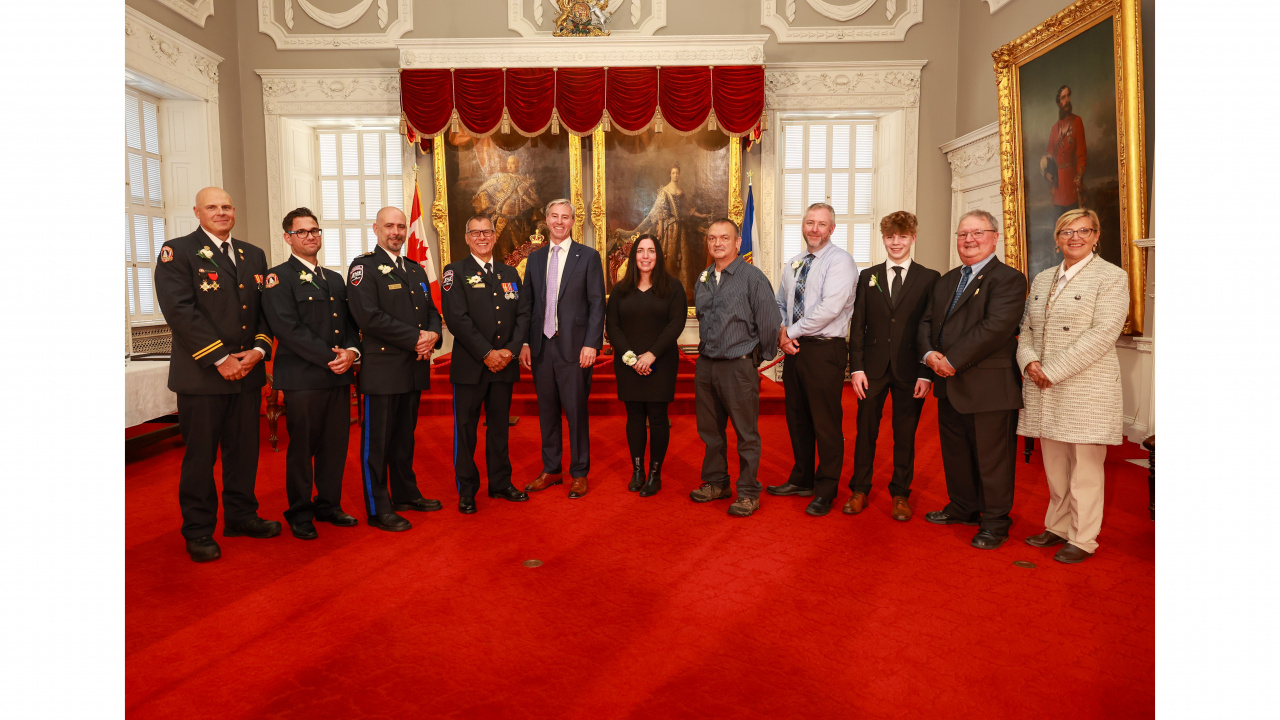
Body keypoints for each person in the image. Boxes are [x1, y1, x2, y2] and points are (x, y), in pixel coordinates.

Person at [155, 187, 280, 562]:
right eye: (212, 207)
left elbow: (263, 311)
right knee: (201, 458)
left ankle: (241, 516)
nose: (221, 212)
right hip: (203, 377)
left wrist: (258, 351)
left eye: (226, 206)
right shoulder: (177, 252)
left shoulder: (252, 254)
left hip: (247, 373)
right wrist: (221, 358)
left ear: (234, 210)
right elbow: (180, 312)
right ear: (197, 211)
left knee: (243, 454)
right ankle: (198, 530)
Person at [1017, 208, 1129, 564]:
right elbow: (1027, 330)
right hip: (1044, 386)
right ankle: (1058, 526)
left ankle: (1083, 538)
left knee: (1085, 468)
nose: (1074, 237)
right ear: (1057, 239)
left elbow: (1103, 334)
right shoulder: (1043, 278)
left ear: (1097, 236)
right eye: (1066, 232)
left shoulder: (1112, 277)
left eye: (1083, 231)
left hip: (1086, 388)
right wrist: (1029, 361)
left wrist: (1052, 369)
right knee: (1056, 466)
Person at [919, 210, 1027, 550]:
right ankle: (963, 507)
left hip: (989, 388)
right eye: (963, 234)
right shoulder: (948, 279)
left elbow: (995, 329)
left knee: (993, 459)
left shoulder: (1009, 279)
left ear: (995, 237)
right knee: (957, 453)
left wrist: (952, 360)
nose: (969, 240)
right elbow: (926, 323)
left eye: (977, 233)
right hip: (948, 384)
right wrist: (929, 356)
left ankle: (995, 522)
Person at [261, 207, 361, 540]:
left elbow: (349, 326)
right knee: (303, 449)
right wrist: (331, 357)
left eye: (315, 230)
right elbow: (286, 329)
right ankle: (300, 511)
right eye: (302, 232)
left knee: (335, 446)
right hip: (304, 378)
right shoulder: (278, 277)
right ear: (288, 237)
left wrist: (351, 353)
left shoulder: (334, 279)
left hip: (337, 375)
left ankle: (328, 505)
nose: (310, 236)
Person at [346, 206, 443, 532]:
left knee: (404, 438)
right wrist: (417, 337)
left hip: (413, 368)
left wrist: (433, 334)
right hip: (383, 370)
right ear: (376, 229)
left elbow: (432, 310)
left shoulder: (415, 270)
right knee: (377, 443)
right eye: (390, 226)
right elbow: (367, 316)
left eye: (401, 226)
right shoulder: (364, 268)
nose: (397, 232)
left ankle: (405, 493)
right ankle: (378, 507)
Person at [844, 211, 941, 521]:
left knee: (905, 434)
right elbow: (857, 324)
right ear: (883, 239)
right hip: (870, 370)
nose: (896, 242)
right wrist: (856, 367)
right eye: (890, 237)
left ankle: (900, 494)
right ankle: (859, 488)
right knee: (865, 432)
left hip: (911, 369)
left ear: (913, 238)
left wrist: (926, 372)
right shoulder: (866, 276)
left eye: (902, 236)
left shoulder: (929, 278)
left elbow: (931, 328)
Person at [765, 203, 857, 516]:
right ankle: (802, 478)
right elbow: (779, 302)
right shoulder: (793, 263)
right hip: (793, 349)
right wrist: (781, 332)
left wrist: (789, 331)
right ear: (802, 226)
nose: (814, 229)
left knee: (825, 423)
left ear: (831, 229)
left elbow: (830, 308)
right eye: (809, 223)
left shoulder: (840, 262)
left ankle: (826, 489)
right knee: (798, 419)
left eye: (821, 224)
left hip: (824, 350)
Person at [440, 215, 533, 514]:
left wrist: (510, 350)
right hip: (470, 367)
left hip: (504, 364)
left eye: (487, 232)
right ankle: (467, 491)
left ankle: (500, 483)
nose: (482, 237)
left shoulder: (510, 273)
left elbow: (523, 314)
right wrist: (486, 353)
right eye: (476, 233)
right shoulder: (454, 272)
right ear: (466, 238)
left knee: (499, 429)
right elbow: (456, 318)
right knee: (466, 431)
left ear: (494, 236)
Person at [689, 218, 782, 518]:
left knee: (746, 434)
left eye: (724, 238)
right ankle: (717, 482)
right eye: (712, 238)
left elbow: (769, 322)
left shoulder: (753, 278)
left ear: (738, 242)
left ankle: (748, 492)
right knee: (710, 432)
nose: (718, 243)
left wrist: (758, 359)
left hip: (738, 367)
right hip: (706, 366)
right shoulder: (703, 277)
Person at [518, 199, 606, 499]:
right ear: (546, 219)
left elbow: (597, 303)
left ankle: (579, 473)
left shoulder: (589, 257)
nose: (559, 222)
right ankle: (552, 469)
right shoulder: (535, 259)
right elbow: (527, 305)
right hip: (542, 348)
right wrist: (527, 342)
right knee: (547, 413)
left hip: (574, 349)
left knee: (576, 413)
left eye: (565, 217)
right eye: (554, 216)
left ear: (572, 221)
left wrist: (592, 344)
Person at [605, 233, 687, 497]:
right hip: (628, 364)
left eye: (651, 251)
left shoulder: (673, 287)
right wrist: (631, 358)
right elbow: (612, 326)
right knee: (635, 417)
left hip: (660, 363)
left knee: (659, 418)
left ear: (658, 255)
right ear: (634, 255)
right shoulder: (621, 289)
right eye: (641, 251)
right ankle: (637, 470)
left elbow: (675, 324)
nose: (645, 256)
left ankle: (655, 472)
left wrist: (650, 355)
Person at [620, 162, 711, 294]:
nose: (675, 175)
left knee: (684, 256)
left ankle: (682, 288)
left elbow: (687, 209)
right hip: (670, 229)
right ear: (670, 174)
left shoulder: (681, 191)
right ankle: (665, 287)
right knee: (670, 256)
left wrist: (701, 215)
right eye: (673, 173)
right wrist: (661, 227)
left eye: (677, 173)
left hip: (681, 229)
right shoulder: (665, 191)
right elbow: (660, 211)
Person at [471, 154, 540, 261]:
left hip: (520, 223)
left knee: (520, 252)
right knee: (504, 252)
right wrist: (488, 206)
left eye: (512, 163)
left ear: (518, 164)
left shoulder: (526, 182)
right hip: (503, 220)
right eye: (508, 163)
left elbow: (534, 203)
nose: (510, 166)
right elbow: (483, 189)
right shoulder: (502, 178)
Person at [1043, 85, 1088, 217]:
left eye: (1068, 96)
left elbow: (1082, 154)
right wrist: (1047, 173)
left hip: (1071, 186)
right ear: (1059, 103)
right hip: (1057, 190)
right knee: (1058, 228)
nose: (1067, 100)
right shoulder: (1054, 129)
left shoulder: (1077, 122)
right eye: (1063, 97)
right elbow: (1049, 157)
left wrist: (1079, 176)